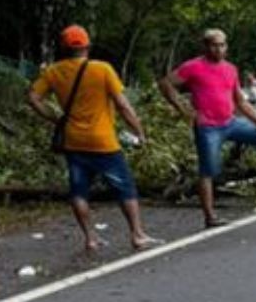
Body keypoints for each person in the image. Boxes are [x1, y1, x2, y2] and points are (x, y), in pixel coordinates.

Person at [27, 25, 158, 253]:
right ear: (87, 46)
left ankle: (91, 238)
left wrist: (55, 117)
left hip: (73, 141)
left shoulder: (53, 72)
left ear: (63, 47)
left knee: (79, 191)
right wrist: (139, 132)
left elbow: (33, 98)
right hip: (103, 141)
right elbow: (123, 105)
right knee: (125, 188)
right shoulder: (102, 69)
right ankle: (137, 235)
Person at [162, 28, 256, 228]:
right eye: (214, 45)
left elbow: (241, 102)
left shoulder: (230, 69)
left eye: (222, 45)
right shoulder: (193, 66)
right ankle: (210, 217)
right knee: (208, 170)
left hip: (231, 122)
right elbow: (166, 83)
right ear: (206, 46)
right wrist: (184, 110)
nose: (219, 49)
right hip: (208, 127)